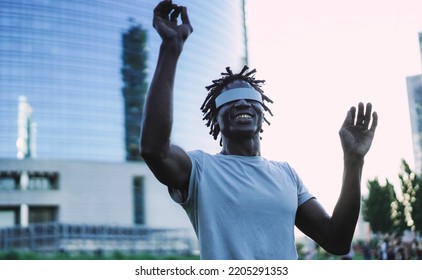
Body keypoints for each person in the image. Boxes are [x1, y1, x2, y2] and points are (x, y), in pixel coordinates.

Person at [140, 0, 378, 260]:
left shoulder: (287, 174)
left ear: (263, 111)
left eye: (249, 95)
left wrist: (353, 162)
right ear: (215, 118)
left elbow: (337, 241)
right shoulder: (200, 169)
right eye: (228, 100)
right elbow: (155, 150)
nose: (242, 102)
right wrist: (171, 48)